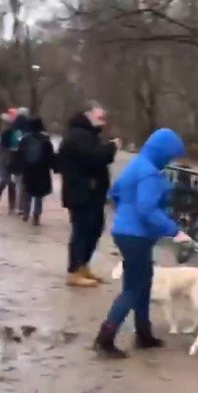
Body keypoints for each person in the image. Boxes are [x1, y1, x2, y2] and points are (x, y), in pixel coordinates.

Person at [93, 128, 192, 359]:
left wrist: (126, 214)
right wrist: (174, 231)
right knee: (132, 288)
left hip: (125, 232)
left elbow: (115, 193)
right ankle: (105, 338)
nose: (170, 161)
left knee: (143, 283)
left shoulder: (137, 165)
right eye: (170, 156)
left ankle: (144, 333)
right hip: (136, 236)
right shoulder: (150, 173)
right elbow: (147, 209)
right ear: (163, 152)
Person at [57, 101, 120, 288]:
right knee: (82, 231)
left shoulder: (88, 135)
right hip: (82, 192)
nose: (103, 121)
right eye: (100, 117)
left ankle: (83, 265)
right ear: (88, 115)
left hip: (91, 193)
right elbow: (92, 158)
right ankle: (74, 270)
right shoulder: (79, 135)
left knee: (94, 228)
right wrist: (111, 147)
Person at [16, 117, 56, 225]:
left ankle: (26, 213)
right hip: (42, 170)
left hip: (28, 169)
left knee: (27, 191)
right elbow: (51, 157)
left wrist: (18, 168)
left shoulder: (25, 140)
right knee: (39, 194)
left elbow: (20, 155)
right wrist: (55, 167)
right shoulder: (46, 140)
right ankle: (36, 216)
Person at [0, 113, 14, 203]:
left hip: (11, 160)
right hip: (2, 160)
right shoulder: (0, 136)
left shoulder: (13, 135)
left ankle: (12, 202)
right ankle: (0, 191)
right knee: (4, 179)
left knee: (11, 181)